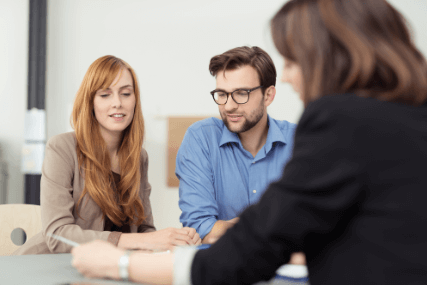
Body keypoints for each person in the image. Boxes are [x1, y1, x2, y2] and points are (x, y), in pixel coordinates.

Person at [72, 0, 427, 284]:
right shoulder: (411, 116)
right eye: (221, 94)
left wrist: (119, 264)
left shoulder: (340, 121)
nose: (288, 75)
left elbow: (261, 241)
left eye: (293, 60)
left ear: (330, 56)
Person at [14, 55, 200, 255]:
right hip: (45, 268)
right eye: (105, 95)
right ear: (90, 102)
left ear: (135, 100)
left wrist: (175, 240)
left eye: (126, 93)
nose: (117, 103)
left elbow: (144, 229)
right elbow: (57, 235)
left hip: (104, 271)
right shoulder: (62, 148)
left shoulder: (139, 157)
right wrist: (144, 240)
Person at [177, 46, 296, 243]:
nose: (229, 105)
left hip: (288, 270)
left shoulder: (298, 142)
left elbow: (314, 223)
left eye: (241, 93)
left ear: (268, 95)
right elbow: (199, 227)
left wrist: (228, 229)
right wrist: (273, 228)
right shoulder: (201, 139)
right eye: (222, 94)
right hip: (221, 270)